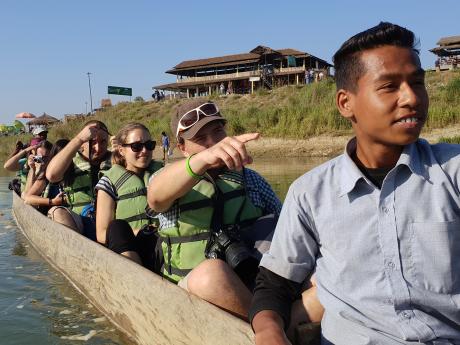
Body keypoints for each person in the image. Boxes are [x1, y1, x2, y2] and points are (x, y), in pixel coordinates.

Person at [249, 22, 460, 345]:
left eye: (417, 83)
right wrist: (268, 331)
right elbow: (275, 286)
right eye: (389, 86)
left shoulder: (453, 171)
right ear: (346, 103)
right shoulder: (310, 193)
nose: (411, 98)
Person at [148, 99, 283, 320]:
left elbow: (290, 228)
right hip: (193, 292)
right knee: (210, 275)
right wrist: (204, 159)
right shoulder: (167, 181)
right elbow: (155, 197)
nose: (213, 143)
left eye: (218, 132)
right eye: (201, 139)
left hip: (252, 285)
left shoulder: (252, 180)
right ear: (182, 147)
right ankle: (272, 326)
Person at [95, 123, 163, 269]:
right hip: (130, 248)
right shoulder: (109, 182)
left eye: (149, 145)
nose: (144, 151)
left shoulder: (163, 174)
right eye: (136, 146)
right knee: (116, 227)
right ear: (121, 150)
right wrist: (143, 231)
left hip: (162, 243)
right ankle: (136, 275)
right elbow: (101, 234)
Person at [46, 120, 111, 240]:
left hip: (110, 220)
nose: (98, 148)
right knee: (57, 212)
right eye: (93, 142)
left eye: (103, 142)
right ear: (82, 144)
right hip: (80, 220)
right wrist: (79, 138)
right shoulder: (69, 162)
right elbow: (52, 176)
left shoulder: (116, 160)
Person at [23, 139, 69, 214]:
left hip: (65, 210)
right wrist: (32, 169)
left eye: (45, 157)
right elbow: (27, 198)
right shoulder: (43, 173)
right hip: (52, 209)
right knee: (23, 194)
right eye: (39, 158)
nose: (42, 162)